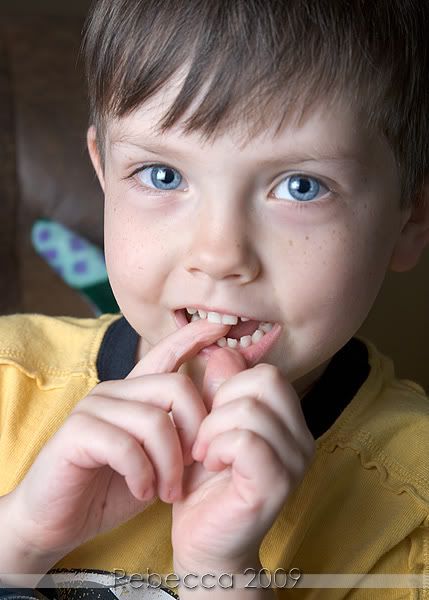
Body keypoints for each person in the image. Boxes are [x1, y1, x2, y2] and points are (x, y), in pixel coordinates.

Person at [0, 0, 428, 598]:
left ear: (411, 217)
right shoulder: (8, 380)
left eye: (301, 187)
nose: (220, 254)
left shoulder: (411, 505)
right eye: (163, 175)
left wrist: (223, 577)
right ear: (104, 175)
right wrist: (20, 535)